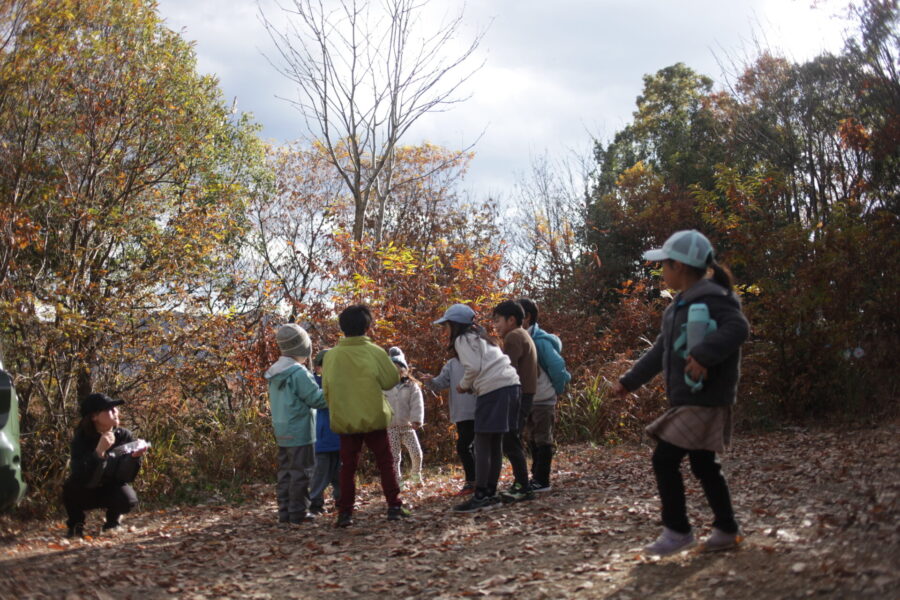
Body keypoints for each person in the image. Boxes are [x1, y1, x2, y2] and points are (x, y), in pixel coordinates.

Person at [611, 230, 750, 555]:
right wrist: (629, 381)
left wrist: (703, 356)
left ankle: (677, 531)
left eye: (665, 264)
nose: (662, 271)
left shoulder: (714, 298)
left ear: (681, 266)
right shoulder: (679, 305)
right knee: (703, 465)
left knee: (665, 459)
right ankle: (726, 529)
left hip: (705, 397)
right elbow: (661, 350)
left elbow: (738, 328)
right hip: (691, 398)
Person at [322, 304, 409, 527]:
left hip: (346, 419)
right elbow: (391, 380)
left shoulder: (332, 356)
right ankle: (394, 506)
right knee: (385, 462)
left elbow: (326, 389)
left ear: (341, 328)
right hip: (373, 416)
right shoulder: (376, 352)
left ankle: (345, 513)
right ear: (368, 327)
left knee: (348, 467)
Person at [433, 304, 520, 513]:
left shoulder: (463, 339)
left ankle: (480, 495)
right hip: (511, 386)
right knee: (495, 442)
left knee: (481, 442)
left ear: (456, 325)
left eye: (446, 326)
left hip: (494, 390)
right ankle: (490, 492)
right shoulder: (483, 337)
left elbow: (473, 368)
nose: (445, 331)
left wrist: (463, 385)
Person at [264, 323, 328, 525]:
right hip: (301, 431)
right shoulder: (298, 373)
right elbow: (317, 400)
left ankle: (285, 512)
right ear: (302, 348)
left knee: (285, 473)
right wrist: (332, 390)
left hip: (282, 429)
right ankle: (299, 513)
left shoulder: (274, 373)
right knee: (302, 473)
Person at [63, 393, 147, 538]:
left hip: (110, 488)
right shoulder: (81, 439)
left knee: (128, 499)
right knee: (70, 488)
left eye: (115, 408)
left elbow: (125, 477)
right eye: (109, 409)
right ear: (94, 416)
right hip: (85, 490)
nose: (116, 412)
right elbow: (80, 475)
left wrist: (134, 458)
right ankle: (76, 526)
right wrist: (99, 453)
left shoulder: (124, 436)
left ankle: (112, 523)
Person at [518, 297, 571, 493]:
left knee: (543, 438)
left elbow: (557, 366)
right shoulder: (518, 339)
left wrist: (557, 389)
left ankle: (542, 480)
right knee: (531, 437)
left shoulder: (540, 341)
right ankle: (536, 476)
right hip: (527, 399)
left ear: (528, 317)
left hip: (543, 398)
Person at [491, 300, 537, 502]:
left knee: (511, 439)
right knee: (512, 439)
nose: (495, 325)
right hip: (526, 393)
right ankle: (521, 483)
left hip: (517, 394)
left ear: (511, 320)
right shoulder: (523, 334)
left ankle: (523, 486)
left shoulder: (514, 337)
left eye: (498, 320)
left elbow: (506, 369)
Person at [423, 354, 477, 495]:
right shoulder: (452, 364)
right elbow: (439, 384)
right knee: (466, 447)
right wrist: (429, 381)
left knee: (469, 447)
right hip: (462, 413)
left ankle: (475, 482)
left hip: (481, 409)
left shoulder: (479, 357)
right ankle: (474, 482)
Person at [384, 347, 425, 485]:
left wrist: (417, 420)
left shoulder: (411, 386)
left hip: (407, 426)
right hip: (390, 427)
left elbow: (417, 404)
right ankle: (397, 481)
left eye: (399, 367)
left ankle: (416, 475)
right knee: (394, 457)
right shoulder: (384, 386)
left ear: (404, 368)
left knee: (416, 452)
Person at [309, 349, 340, 515]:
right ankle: (315, 504)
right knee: (320, 474)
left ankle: (341, 502)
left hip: (338, 436)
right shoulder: (317, 383)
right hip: (323, 439)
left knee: (339, 475)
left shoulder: (339, 382)